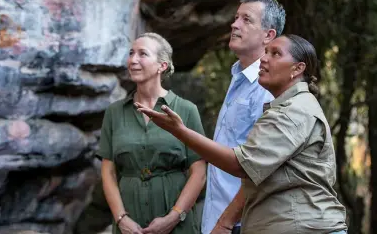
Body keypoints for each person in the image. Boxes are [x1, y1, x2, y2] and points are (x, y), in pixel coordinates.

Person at [137, 34, 348, 234]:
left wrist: (180, 132)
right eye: (266, 52)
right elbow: (257, 175)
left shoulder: (293, 111)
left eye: (275, 54)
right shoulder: (286, 107)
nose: (264, 59)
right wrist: (225, 222)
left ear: (298, 68)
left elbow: (240, 165)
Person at [97, 32, 206, 234]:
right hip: (129, 222)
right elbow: (108, 172)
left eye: (142, 54)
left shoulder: (186, 110)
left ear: (162, 66)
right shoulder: (114, 112)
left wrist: (174, 217)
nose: (133, 60)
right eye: (131, 53)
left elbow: (199, 172)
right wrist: (121, 219)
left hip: (177, 223)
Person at [204, 0, 286, 234]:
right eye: (236, 17)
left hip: (240, 224)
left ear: (268, 35)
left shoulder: (267, 89)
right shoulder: (239, 76)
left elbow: (262, 168)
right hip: (216, 217)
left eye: (246, 20)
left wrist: (227, 222)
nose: (234, 24)